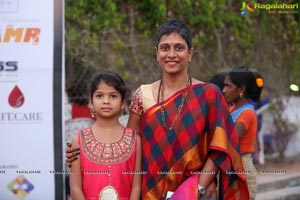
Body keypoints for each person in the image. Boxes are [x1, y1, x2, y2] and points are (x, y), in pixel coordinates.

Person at [67, 19, 249, 200]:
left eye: (179, 48)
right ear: (156, 53)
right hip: (150, 191)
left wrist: (199, 188)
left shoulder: (209, 94)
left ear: (190, 53)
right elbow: (128, 144)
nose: (171, 54)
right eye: (165, 48)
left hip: (194, 193)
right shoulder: (142, 95)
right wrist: (82, 153)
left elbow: (220, 147)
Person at [69, 71, 142, 200]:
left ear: (123, 103)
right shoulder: (79, 140)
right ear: (91, 102)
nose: (106, 101)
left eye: (113, 96)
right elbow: (75, 187)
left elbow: (136, 187)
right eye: (99, 96)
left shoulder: (135, 140)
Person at [222, 67, 263, 200]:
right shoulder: (233, 109)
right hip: (231, 166)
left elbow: (228, 140)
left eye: (228, 86)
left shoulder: (247, 114)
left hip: (242, 168)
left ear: (241, 89)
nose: (224, 90)